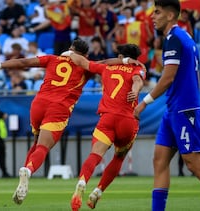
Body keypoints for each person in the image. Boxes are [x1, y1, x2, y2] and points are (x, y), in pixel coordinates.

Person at [0, 38, 141, 205]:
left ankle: (25, 177)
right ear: (84, 55)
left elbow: (23, 61)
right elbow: (105, 62)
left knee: (36, 141)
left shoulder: (51, 59)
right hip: (59, 108)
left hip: (38, 104)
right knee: (43, 147)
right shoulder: (85, 67)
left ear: (70, 48)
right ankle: (28, 169)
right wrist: (126, 61)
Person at [133, 1, 200, 211]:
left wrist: (144, 102)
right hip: (174, 108)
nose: (153, 16)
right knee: (159, 161)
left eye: (158, 12)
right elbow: (192, 75)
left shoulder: (174, 39)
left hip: (183, 110)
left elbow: (168, 77)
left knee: (193, 162)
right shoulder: (184, 37)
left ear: (171, 16)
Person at [65, 44, 145, 210]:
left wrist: (69, 53)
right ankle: (99, 190)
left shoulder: (106, 68)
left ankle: (82, 181)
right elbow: (138, 81)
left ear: (120, 56)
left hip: (107, 119)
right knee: (119, 157)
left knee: (95, 155)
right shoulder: (138, 68)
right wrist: (135, 91)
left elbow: (83, 62)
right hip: (127, 121)